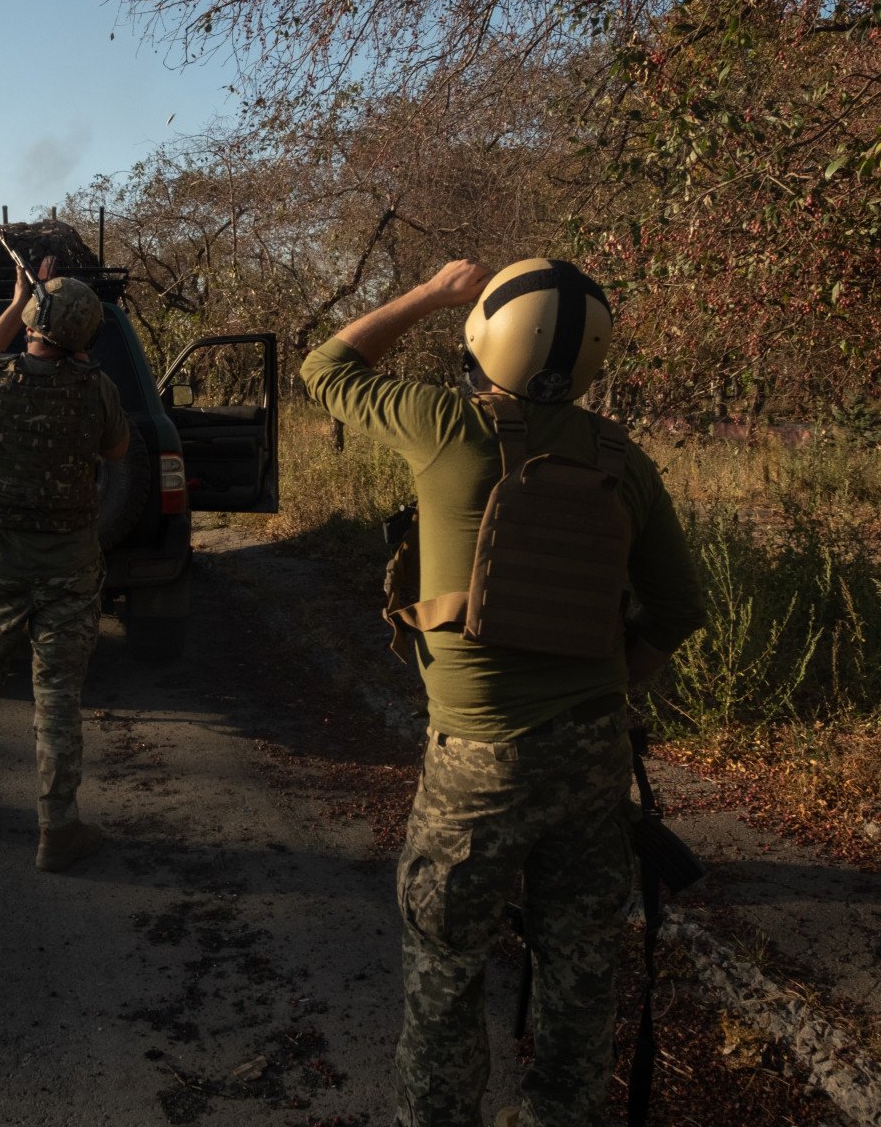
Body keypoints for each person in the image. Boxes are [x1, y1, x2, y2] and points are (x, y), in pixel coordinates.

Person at [301, 257, 706, 1127]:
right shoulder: (622, 460)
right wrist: (609, 691)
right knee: (580, 960)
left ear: (486, 333)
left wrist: (429, 294)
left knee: (446, 966)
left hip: (477, 762)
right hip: (595, 755)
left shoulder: (446, 425)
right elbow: (679, 604)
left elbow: (324, 369)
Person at [0, 252, 130, 873]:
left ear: (33, 323)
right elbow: (119, 446)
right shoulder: (97, 388)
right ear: (86, 335)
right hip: (69, 567)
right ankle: (57, 828)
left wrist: (19, 299)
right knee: (57, 697)